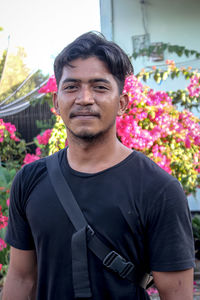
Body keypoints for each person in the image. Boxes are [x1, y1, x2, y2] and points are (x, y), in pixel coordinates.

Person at [2, 32, 195, 300]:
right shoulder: (30, 180)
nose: (84, 98)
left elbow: (177, 295)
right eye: (71, 87)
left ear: (122, 103)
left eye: (100, 87)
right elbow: (21, 279)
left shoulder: (158, 189)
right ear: (57, 103)